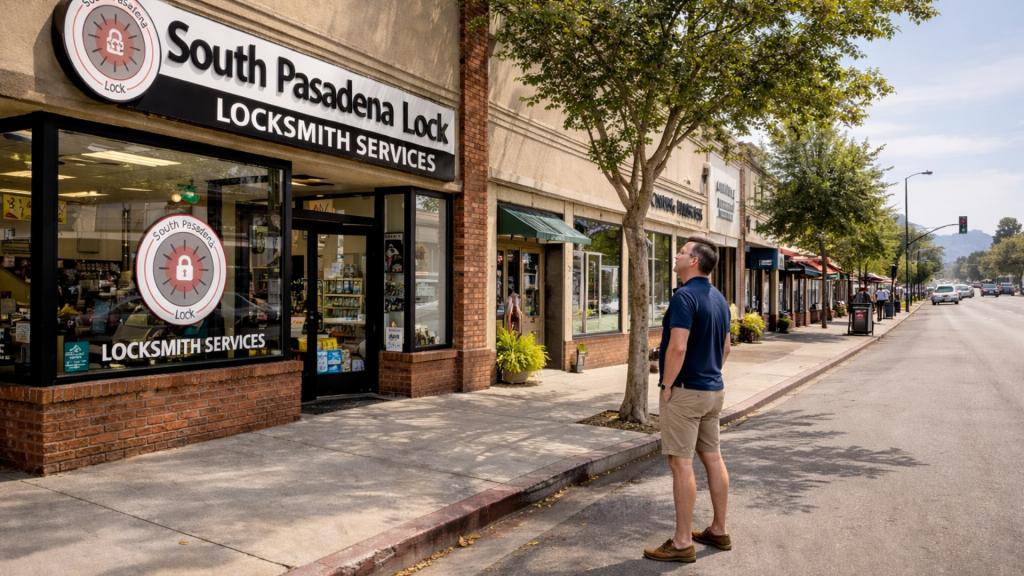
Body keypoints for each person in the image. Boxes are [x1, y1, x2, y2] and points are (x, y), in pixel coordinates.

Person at [643, 237, 732, 564]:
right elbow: (726, 349)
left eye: (682, 252)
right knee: (713, 457)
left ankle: (682, 543)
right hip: (713, 390)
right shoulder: (720, 298)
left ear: (694, 261)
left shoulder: (683, 297)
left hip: (685, 392)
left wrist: (667, 384)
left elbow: (677, 347)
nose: (677, 255)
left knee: (680, 464)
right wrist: (710, 374)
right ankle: (719, 529)